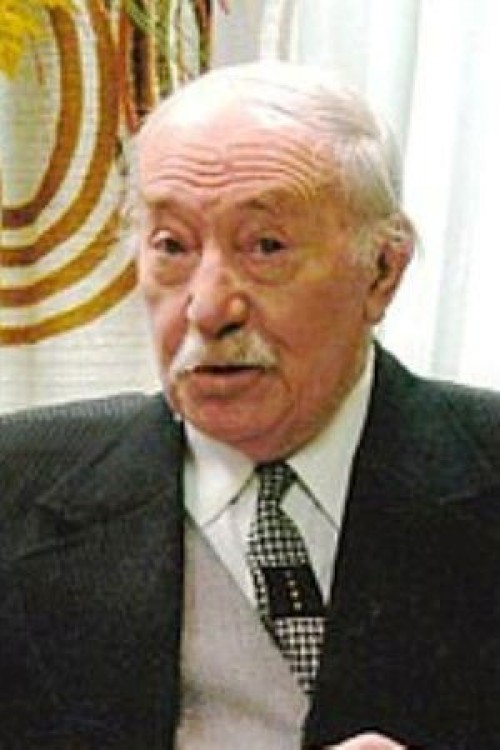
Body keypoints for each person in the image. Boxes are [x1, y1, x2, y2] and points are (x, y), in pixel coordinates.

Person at [0, 61, 499, 750]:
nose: (208, 308)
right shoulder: (17, 483)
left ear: (383, 271)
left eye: (266, 246)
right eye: (172, 246)